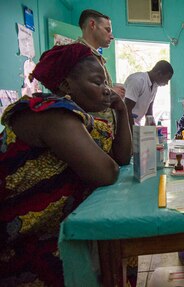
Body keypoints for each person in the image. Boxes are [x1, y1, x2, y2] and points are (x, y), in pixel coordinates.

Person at [0, 43, 132, 286]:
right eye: (97, 82)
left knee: (118, 249)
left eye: (106, 83)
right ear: (65, 85)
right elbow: (107, 172)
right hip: (20, 244)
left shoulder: (80, 117)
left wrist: (122, 110)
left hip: (53, 229)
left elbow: (123, 157)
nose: (106, 90)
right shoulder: (53, 114)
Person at [77, 9, 125, 130]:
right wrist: (111, 92)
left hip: (101, 132)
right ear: (92, 25)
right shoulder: (78, 54)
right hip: (88, 132)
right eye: (107, 30)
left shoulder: (94, 56)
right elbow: (78, 95)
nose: (112, 36)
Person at [124, 60, 173, 129]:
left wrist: (152, 130)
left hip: (135, 123)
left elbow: (149, 111)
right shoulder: (137, 81)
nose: (167, 83)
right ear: (159, 74)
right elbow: (126, 109)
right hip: (125, 124)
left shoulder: (155, 85)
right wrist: (133, 132)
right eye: (167, 79)